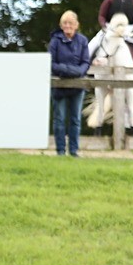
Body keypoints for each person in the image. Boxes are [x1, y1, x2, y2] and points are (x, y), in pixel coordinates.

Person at [49, 10, 91, 157]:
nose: (67, 26)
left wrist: (76, 72)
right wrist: (69, 70)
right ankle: (60, 150)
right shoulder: (55, 41)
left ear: (76, 25)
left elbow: (86, 62)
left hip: (77, 85)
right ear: (61, 25)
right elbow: (51, 63)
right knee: (59, 119)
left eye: (70, 23)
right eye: (65, 23)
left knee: (75, 119)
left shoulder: (83, 41)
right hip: (59, 85)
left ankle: (74, 150)